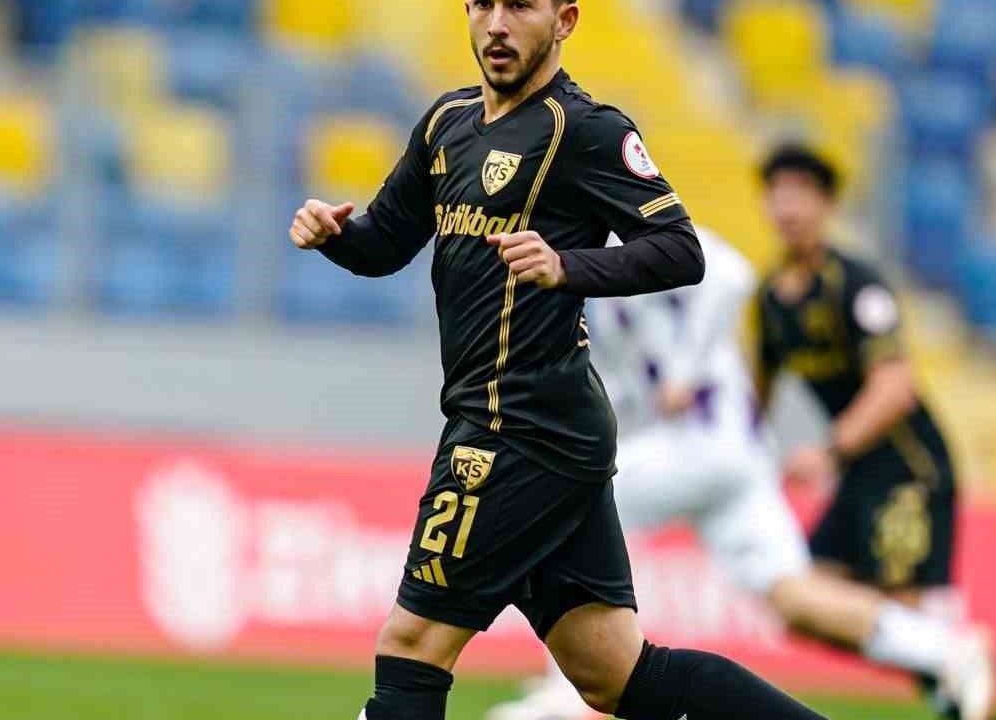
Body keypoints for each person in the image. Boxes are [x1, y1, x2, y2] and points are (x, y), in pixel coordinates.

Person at [289, 2, 830, 719]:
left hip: (518, 427)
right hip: (538, 427)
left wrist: (567, 265)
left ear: (565, 20)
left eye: (520, 5)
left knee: (412, 644)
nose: (497, 23)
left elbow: (680, 250)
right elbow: (386, 242)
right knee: (615, 674)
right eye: (483, 4)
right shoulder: (446, 123)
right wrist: (335, 236)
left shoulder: (587, 130)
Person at [486, 227, 996, 720]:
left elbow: (732, 275)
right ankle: (948, 652)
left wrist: (685, 370)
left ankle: (565, 695)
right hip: (731, 456)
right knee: (794, 597)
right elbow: (627, 385)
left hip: (705, 441)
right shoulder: (589, 284)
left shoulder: (634, 232)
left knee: (577, 499)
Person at [755, 144, 996, 719]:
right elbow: (753, 400)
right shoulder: (768, 299)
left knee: (907, 619)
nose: (789, 208)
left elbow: (895, 388)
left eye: (802, 194)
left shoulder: (856, 284)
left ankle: (960, 668)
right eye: (779, 194)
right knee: (801, 600)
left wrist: (828, 452)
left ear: (827, 205)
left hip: (908, 468)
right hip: (858, 474)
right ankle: (958, 658)